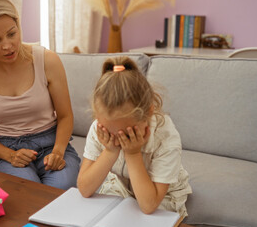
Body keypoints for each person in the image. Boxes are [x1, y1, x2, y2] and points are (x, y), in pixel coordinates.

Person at [0, 0, 80, 190]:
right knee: (29, 192)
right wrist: (11, 155)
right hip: (4, 150)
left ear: (18, 25)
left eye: (12, 33)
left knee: (61, 188)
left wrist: (59, 151)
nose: (8, 46)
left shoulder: (47, 60)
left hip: (51, 144)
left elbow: (66, 116)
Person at [77, 56, 192, 216]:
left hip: (160, 196)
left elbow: (149, 205)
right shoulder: (100, 127)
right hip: (120, 186)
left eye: (127, 133)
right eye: (111, 132)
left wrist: (133, 153)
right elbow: (84, 188)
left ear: (148, 113)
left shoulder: (165, 137)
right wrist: (110, 152)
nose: (118, 139)